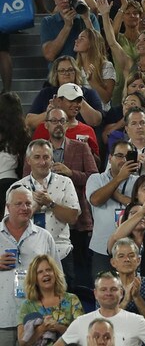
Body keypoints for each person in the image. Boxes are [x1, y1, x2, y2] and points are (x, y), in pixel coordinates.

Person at [0, 187, 59, 344]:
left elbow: (58, 277)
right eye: (18, 203)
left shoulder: (44, 236)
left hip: (37, 318)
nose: (24, 208)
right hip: (2, 317)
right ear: (8, 207)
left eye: (28, 203)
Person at [17, 139, 80, 285]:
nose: (42, 162)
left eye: (46, 157)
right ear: (28, 160)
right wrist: (35, 207)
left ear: (52, 160)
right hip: (27, 256)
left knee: (64, 298)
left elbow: (73, 218)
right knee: (29, 298)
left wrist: (50, 204)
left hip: (60, 253)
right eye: (37, 157)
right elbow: (12, 226)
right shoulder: (18, 188)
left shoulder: (65, 182)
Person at [54, 272, 145, 346]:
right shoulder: (81, 322)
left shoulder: (136, 321)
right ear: (95, 293)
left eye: (113, 289)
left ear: (121, 293)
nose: (108, 293)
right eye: (103, 289)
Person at [85, 140, 139, 276]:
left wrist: (117, 196)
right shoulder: (96, 179)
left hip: (132, 247)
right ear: (110, 158)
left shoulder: (138, 181)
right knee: (104, 287)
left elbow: (142, 208)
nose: (124, 160)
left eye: (127, 156)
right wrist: (119, 178)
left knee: (132, 287)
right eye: (119, 156)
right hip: (102, 247)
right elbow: (96, 200)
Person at [15, 253, 82, 346]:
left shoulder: (72, 300)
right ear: (34, 278)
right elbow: (22, 343)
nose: (46, 274)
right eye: (40, 272)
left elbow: (81, 334)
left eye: (49, 270)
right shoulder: (27, 305)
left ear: (55, 273)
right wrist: (42, 328)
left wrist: (57, 327)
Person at [27, 60, 104, 132]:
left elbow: (95, 121)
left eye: (70, 70)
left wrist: (77, 96)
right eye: (62, 71)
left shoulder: (89, 93)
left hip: (81, 135)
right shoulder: (46, 92)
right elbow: (29, 122)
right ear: (56, 74)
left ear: (76, 72)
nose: (66, 73)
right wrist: (49, 113)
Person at [109, 238, 145, 328]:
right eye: (121, 256)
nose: (127, 259)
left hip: (143, 335)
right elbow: (105, 323)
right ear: (113, 262)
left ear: (138, 260)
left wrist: (137, 297)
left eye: (131, 256)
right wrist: (126, 300)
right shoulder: (106, 288)